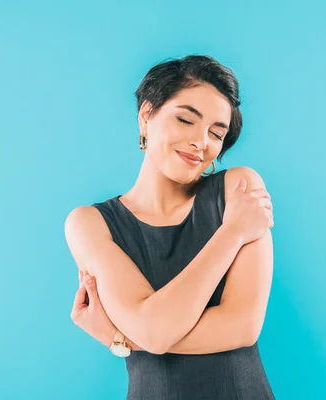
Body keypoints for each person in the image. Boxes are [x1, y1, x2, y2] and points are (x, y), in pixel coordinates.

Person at [64, 54, 275, 399]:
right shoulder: (89, 223)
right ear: (147, 116)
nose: (201, 142)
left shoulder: (238, 189)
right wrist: (232, 233)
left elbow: (242, 327)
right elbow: (155, 333)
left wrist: (124, 338)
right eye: (185, 120)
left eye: (216, 133)